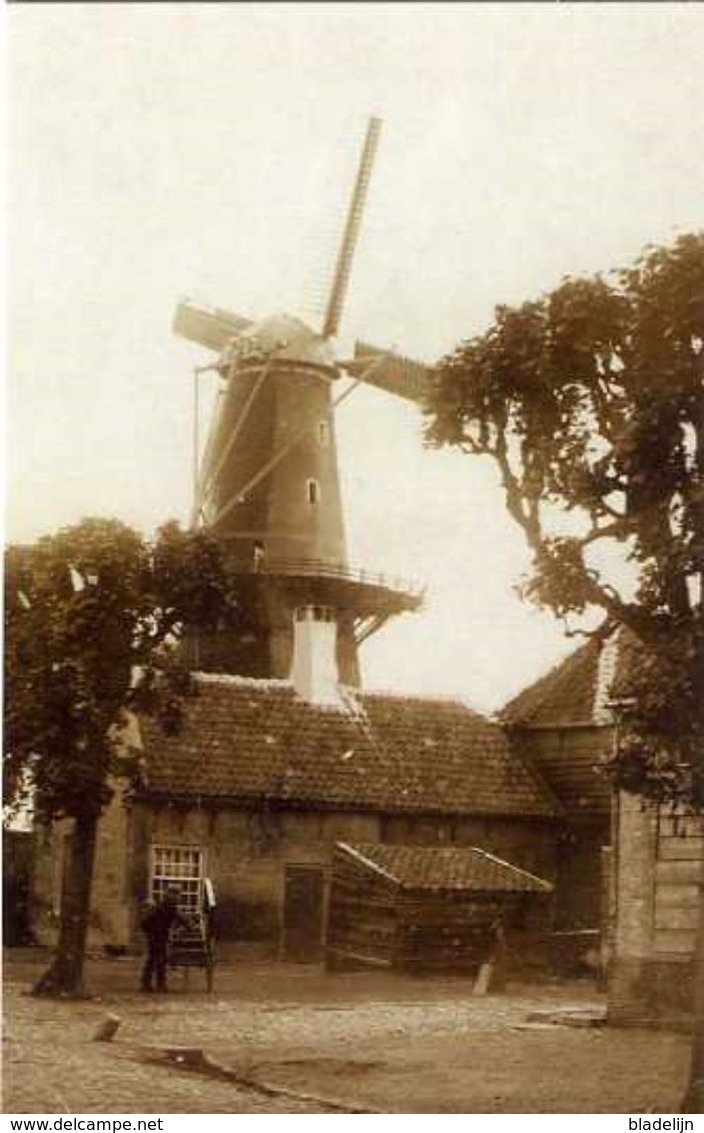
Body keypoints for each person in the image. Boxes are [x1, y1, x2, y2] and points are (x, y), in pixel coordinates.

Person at [140, 887, 187, 993]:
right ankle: (160, 985)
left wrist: (148, 932)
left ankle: (146, 984)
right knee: (160, 960)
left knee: (152, 960)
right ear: (173, 896)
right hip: (159, 936)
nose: (179, 898)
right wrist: (186, 927)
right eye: (178, 896)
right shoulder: (170, 906)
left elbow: (145, 923)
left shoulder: (161, 905)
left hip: (153, 935)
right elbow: (182, 919)